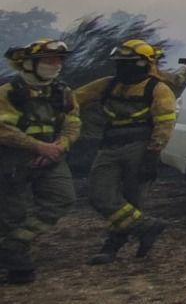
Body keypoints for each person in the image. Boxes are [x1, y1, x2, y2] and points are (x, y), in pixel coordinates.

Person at [74, 38, 174, 265]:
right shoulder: (108, 84)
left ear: (144, 63)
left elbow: (165, 124)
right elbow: (74, 99)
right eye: (119, 63)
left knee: (133, 199)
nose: (122, 68)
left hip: (140, 148)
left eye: (128, 63)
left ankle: (112, 246)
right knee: (99, 195)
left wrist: (152, 156)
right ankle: (146, 227)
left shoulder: (158, 89)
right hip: (109, 146)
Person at [0, 40, 80, 285]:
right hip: (13, 158)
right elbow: (3, 129)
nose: (55, 65)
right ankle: (17, 264)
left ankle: (13, 244)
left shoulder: (63, 92)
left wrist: (59, 146)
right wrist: (38, 147)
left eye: (58, 60)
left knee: (62, 198)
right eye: (48, 60)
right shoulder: (8, 92)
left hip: (52, 156)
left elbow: (73, 123)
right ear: (28, 64)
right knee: (12, 213)